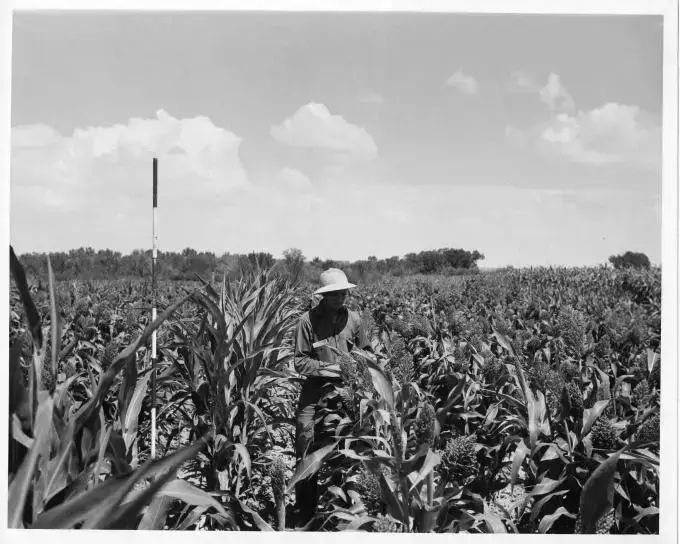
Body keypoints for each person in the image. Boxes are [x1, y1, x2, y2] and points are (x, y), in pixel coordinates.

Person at [292, 268, 371, 526]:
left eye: (342, 292)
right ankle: (305, 512)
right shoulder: (307, 321)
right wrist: (332, 369)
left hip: (348, 393)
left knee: (351, 445)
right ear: (323, 296)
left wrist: (362, 367)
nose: (340, 297)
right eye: (333, 293)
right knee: (305, 438)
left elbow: (365, 353)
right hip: (316, 392)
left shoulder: (355, 319)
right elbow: (300, 362)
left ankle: (345, 507)